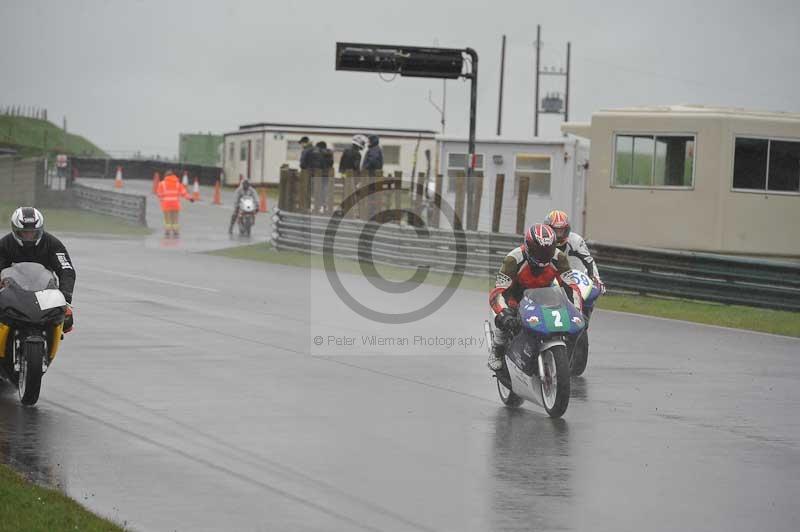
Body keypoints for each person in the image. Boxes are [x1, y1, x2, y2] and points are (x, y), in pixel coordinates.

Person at [487, 223, 583, 371]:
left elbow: (572, 287)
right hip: (515, 297)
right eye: (539, 251)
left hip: (544, 294)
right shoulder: (513, 259)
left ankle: (559, 355)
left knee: (566, 320)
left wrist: (577, 310)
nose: (543, 256)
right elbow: (498, 292)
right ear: (528, 247)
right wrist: (504, 314)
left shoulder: (559, 258)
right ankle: (497, 351)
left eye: (547, 251)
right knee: (502, 321)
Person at [0, 207, 75, 332]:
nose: (29, 236)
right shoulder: (4, 244)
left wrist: (65, 298)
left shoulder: (52, 243)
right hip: (13, 294)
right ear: (15, 230)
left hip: (46, 294)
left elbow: (66, 269)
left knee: (67, 321)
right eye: (24, 232)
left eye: (33, 232)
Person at [543, 210, 605, 296]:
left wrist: (596, 279)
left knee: (589, 298)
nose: (559, 235)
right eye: (555, 231)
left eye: (561, 231)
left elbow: (589, 260)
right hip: (551, 277)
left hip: (576, 277)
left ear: (567, 229)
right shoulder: (543, 242)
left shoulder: (576, 240)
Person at [156, 170, 194, 237]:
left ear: (165, 176)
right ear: (173, 176)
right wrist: (190, 198)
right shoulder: (178, 184)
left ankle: (167, 232)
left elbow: (159, 194)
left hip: (166, 204)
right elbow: (184, 193)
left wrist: (162, 199)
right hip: (175, 204)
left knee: (167, 219)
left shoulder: (161, 184)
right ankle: (175, 232)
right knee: (175, 219)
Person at [316, 141, 334, 212]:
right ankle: (325, 206)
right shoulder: (330, 153)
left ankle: (319, 206)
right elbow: (331, 163)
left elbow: (318, 163)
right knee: (325, 190)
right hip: (327, 174)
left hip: (319, 174)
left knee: (318, 190)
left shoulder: (319, 153)